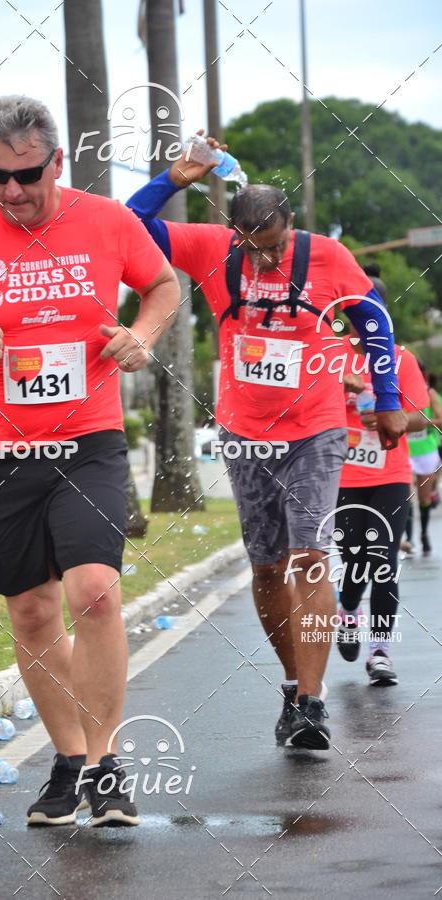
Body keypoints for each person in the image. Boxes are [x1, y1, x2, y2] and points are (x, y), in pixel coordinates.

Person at [0, 96, 180, 827]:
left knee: (94, 591)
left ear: (57, 161)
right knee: (31, 614)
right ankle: (68, 764)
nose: (12, 192)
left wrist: (142, 334)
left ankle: (106, 764)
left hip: (87, 441)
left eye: (26, 175)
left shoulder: (106, 220)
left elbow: (162, 285)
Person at [127, 136, 406, 750]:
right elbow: (126, 226)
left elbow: (374, 322)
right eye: (252, 250)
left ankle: (312, 703)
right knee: (267, 565)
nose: (264, 260)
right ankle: (290, 683)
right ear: (235, 234)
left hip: (318, 426)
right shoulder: (209, 246)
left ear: (290, 227)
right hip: (245, 431)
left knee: (309, 554)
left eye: (274, 246)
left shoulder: (330, 257)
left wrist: (386, 400)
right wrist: (173, 178)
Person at [335, 328, 430, 685]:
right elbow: (303, 403)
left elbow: (422, 415)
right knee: (353, 558)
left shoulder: (400, 358)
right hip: (343, 475)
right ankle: (347, 611)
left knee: (384, 561)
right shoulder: (331, 354)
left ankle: (380, 652)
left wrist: (394, 417)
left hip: (390, 475)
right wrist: (339, 389)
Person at [405, 363, 442, 555]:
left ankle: (424, 534)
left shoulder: (429, 393)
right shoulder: (398, 389)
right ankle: (409, 538)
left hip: (426, 450)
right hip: (405, 451)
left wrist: (420, 423)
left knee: (424, 497)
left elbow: (441, 420)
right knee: (408, 495)